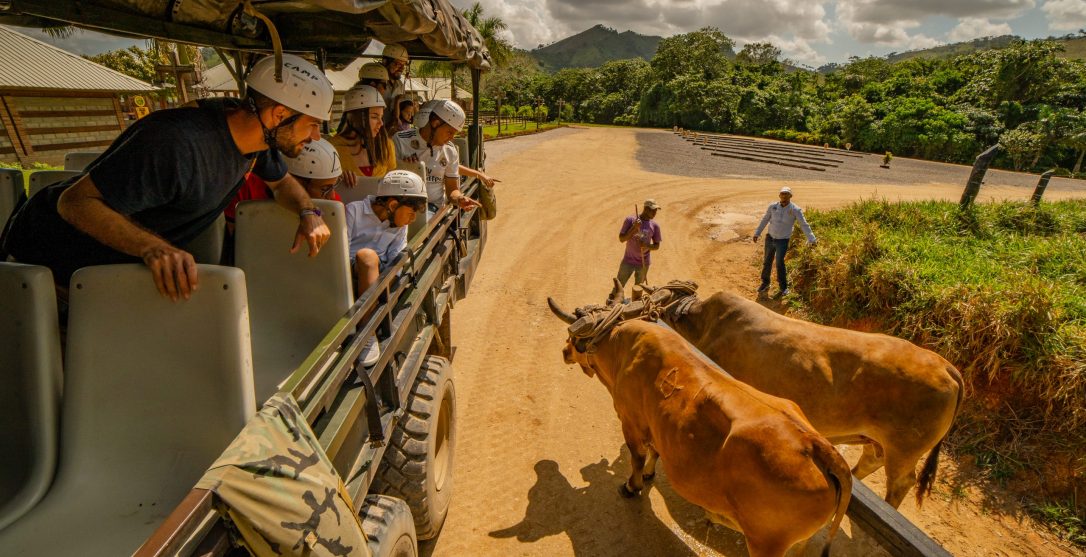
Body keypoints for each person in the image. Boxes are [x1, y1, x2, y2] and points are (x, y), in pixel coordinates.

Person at [0, 53, 334, 302]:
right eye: (313, 124)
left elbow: (280, 183)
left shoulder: (257, 139)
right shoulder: (177, 144)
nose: (316, 136)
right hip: (47, 265)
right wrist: (154, 249)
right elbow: (73, 202)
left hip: (107, 273)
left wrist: (308, 212)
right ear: (279, 114)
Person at [346, 170, 428, 365]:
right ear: (392, 205)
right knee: (367, 257)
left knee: (395, 263)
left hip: (380, 272)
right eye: (410, 213)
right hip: (352, 267)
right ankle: (367, 333)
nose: (412, 220)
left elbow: (396, 256)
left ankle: (374, 316)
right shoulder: (354, 211)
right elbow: (340, 251)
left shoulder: (399, 223)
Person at [394, 99, 481, 217]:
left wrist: (459, 198)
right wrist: (406, 171)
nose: (451, 138)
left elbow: (452, 190)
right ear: (435, 123)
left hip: (432, 208)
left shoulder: (450, 151)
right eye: (449, 132)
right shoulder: (400, 141)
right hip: (401, 205)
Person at [752, 186, 816, 297]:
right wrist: (757, 233)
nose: (784, 196)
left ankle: (783, 288)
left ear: (790, 196)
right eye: (782, 194)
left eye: (786, 194)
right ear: (779, 196)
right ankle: (765, 283)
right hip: (770, 238)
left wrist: (812, 239)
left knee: (779, 263)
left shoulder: (795, 210)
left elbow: (803, 224)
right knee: (767, 261)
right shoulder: (773, 207)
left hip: (782, 241)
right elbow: (765, 219)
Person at [329, 84, 397, 185]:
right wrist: (336, 180)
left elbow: (393, 182)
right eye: (374, 117)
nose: (381, 123)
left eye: (381, 117)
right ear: (355, 117)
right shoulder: (332, 148)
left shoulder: (386, 145)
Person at [612, 199, 662, 302]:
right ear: (645, 209)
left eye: (656, 210)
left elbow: (657, 246)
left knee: (638, 291)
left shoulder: (655, 226)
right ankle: (611, 305)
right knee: (618, 288)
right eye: (653, 210)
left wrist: (647, 245)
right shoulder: (630, 220)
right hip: (628, 261)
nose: (655, 213)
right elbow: (622, 239)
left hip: (643, 264)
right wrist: (634, 228)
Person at [380, 44, 410, 129]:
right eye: (398, 64)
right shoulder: (375, 83)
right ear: (385, 62)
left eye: (403, 65)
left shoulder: (400, 85)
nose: (401, 69)